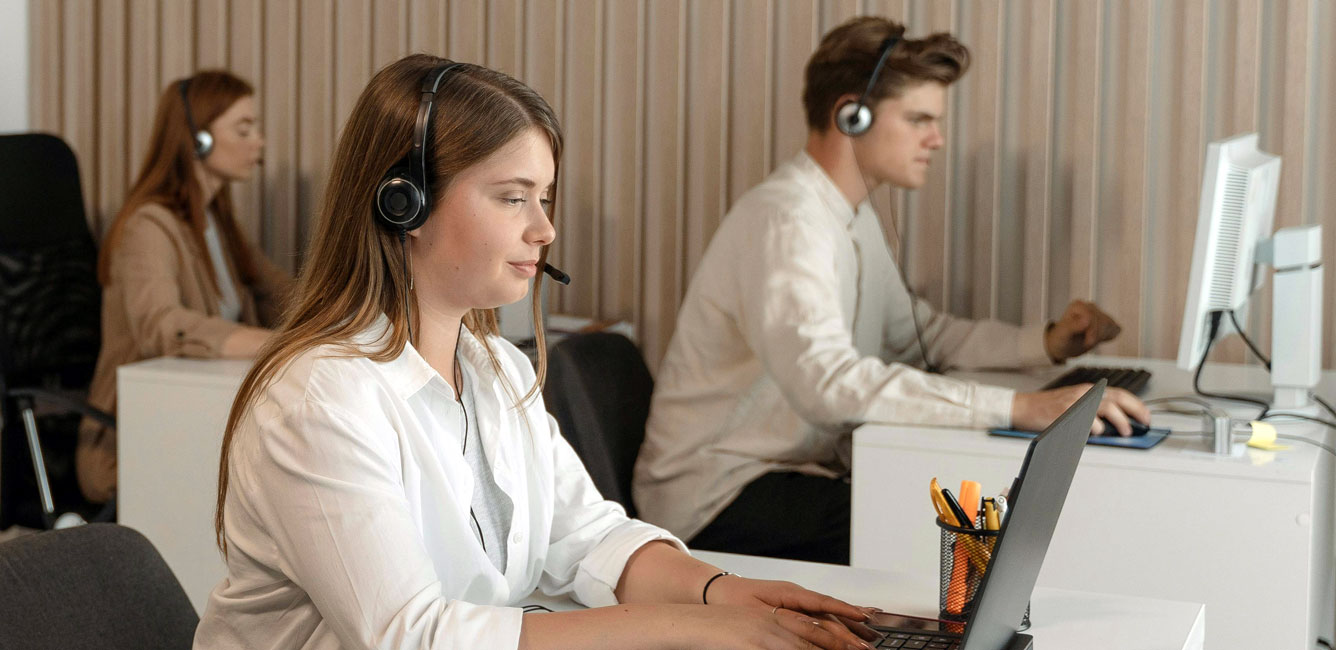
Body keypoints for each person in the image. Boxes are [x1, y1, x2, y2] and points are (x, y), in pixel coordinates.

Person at [196, 53, 877, 650]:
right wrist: (690, 628)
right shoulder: (323, 398)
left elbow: (583, 535)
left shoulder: (495, 367)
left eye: (544, 198)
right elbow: (410, 636)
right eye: (513, 197)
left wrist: (723, 594)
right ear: (403, 203)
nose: (544, 229)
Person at [636, 16, 1148, 564]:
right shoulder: (787, 221)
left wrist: (1046, 345)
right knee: (943, 540)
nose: (937, 139)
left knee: (962, 523)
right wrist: (1019, 406)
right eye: (919, 119)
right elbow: (826, 384)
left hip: (787, 474)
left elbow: (921, 335)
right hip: (717, 496)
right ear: (850, 116)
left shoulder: (850, 217)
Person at [80, 70, 290, 504]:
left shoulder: (218, 223)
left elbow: (282, 292)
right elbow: (163, 325)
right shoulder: (149, 226)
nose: (260, 143)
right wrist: (275, 343)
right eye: (244, 129)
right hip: (135, 438)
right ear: (199, 141)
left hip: (194, 420)